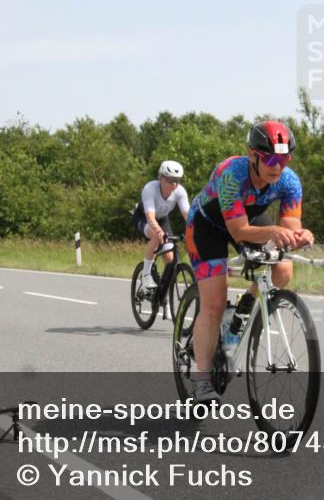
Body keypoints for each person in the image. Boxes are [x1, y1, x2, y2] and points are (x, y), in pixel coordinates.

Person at [184, 120, 314, 403]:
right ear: (252, 154)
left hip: (250, 218)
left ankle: (244, 309)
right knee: (214, 302)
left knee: (283, 268)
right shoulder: (232, 173)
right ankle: (202, 379)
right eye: (269, 157)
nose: (276, 165)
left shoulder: (290, 181)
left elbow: (290, 225)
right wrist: (277, 231)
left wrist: (299, 235)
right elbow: (239, 232)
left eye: (283, 158)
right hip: (207, 226)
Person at [134, 161, 190, 291]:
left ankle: (164, 291)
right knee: (155, 236)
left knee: (170, 259)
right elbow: (150, 217)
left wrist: (196, 229)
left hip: (163, 219)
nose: (174, 184)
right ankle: (146, 275)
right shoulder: (150, 188)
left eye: (177, 180)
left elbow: (187, 214)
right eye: (170, 180)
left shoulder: (180, 191)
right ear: (161, 177)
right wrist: (159, 232)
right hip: (144, 217)